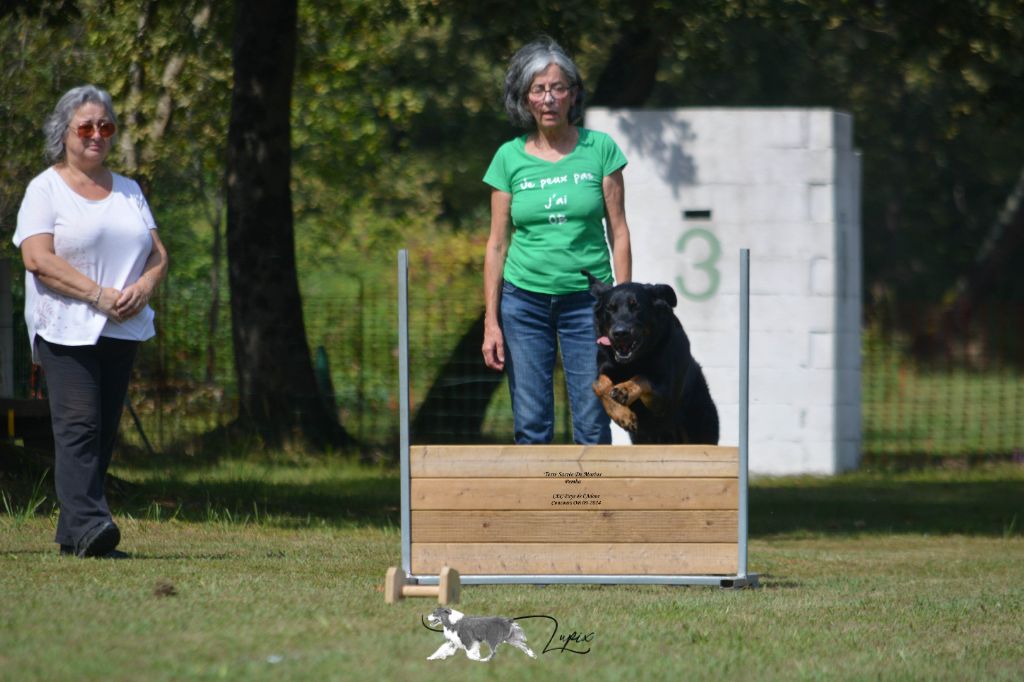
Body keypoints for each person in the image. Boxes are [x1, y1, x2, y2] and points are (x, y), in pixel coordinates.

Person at [13, 85, 168, 558]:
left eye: (106, 126)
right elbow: (37, 258)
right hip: (64, 326)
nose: (97, 134)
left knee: (101, 428)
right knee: (78, 424)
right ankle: (91, 524)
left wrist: (142, 288)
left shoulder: (130, 190)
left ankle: (74, 534)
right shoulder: (45, 189)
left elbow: (158, 254)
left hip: (121, 326)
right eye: (86, 126)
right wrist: (97, 294)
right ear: (65, 133)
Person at [482, 37, 632, 444]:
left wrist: (618, 309)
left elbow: (618, 231)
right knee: (531, 425)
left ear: (573, 95)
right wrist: (491, 322)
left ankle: (589, 506)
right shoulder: (508, 158)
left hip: (589, 304)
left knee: (592, 420)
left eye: (557, 88)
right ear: (525, 99)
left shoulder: (601, 150)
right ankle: (541, 510)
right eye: (538, 89)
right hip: (523, 304)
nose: (548, 98)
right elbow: (496, 245)